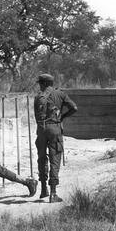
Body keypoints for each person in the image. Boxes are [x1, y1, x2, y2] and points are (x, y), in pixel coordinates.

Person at [34, 74, 77, 203]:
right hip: (55, 129)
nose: (39, 85)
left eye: (40, 83)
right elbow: (74, 108)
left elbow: (36, 116)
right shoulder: (60, 94)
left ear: (45, 83)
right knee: (55, 158)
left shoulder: (38, 97)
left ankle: (43, 190)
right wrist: (62, 117)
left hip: (41, 129)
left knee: (42, 158)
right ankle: (53, 193)